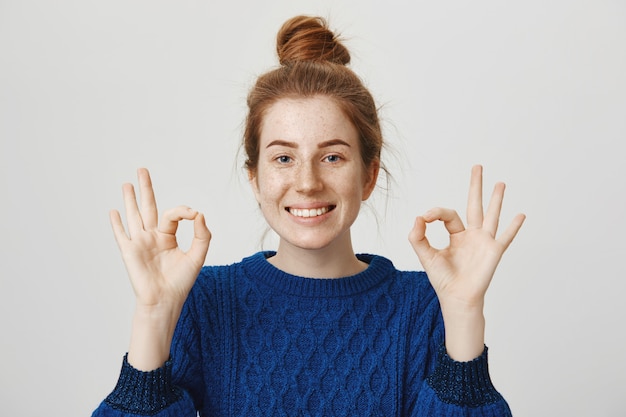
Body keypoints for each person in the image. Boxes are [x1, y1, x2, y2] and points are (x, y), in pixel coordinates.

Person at [92, 15, 525, 417]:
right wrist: (153, 314)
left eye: (332, 156)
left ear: (369, 176)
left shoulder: (427, 305)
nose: (307, 183)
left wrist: (466, 311)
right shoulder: (202, 300)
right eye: (283, 158)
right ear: (255, 178)